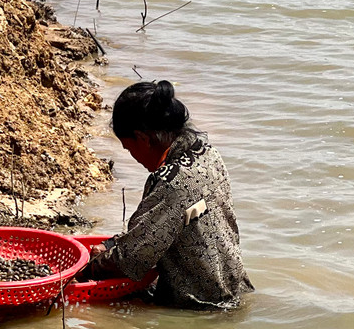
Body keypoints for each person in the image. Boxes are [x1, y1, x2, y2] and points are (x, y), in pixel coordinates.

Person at [88, 80, 253, 310]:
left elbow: (133, 259)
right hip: (234, 291)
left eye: (129, 148)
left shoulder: (171, 181)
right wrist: (113, 244)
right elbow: (181, 222)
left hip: (199, 308)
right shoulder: (208, 154)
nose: (133, 156)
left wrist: (90, 265)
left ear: (143, 139)